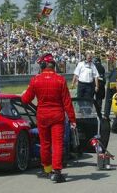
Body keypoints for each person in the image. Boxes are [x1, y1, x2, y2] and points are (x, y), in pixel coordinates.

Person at [21, 53, 76, 183]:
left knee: (45, 144)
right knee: (57, 144)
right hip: (57, 115)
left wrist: (24, 94)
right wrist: (73, 119)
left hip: (42, 115)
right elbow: (67, 102)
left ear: (42, 65)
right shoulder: (60, 80)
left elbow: (25, 99)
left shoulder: (35, 80)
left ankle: (47, 169)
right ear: (53, 66)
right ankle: (57, 172)